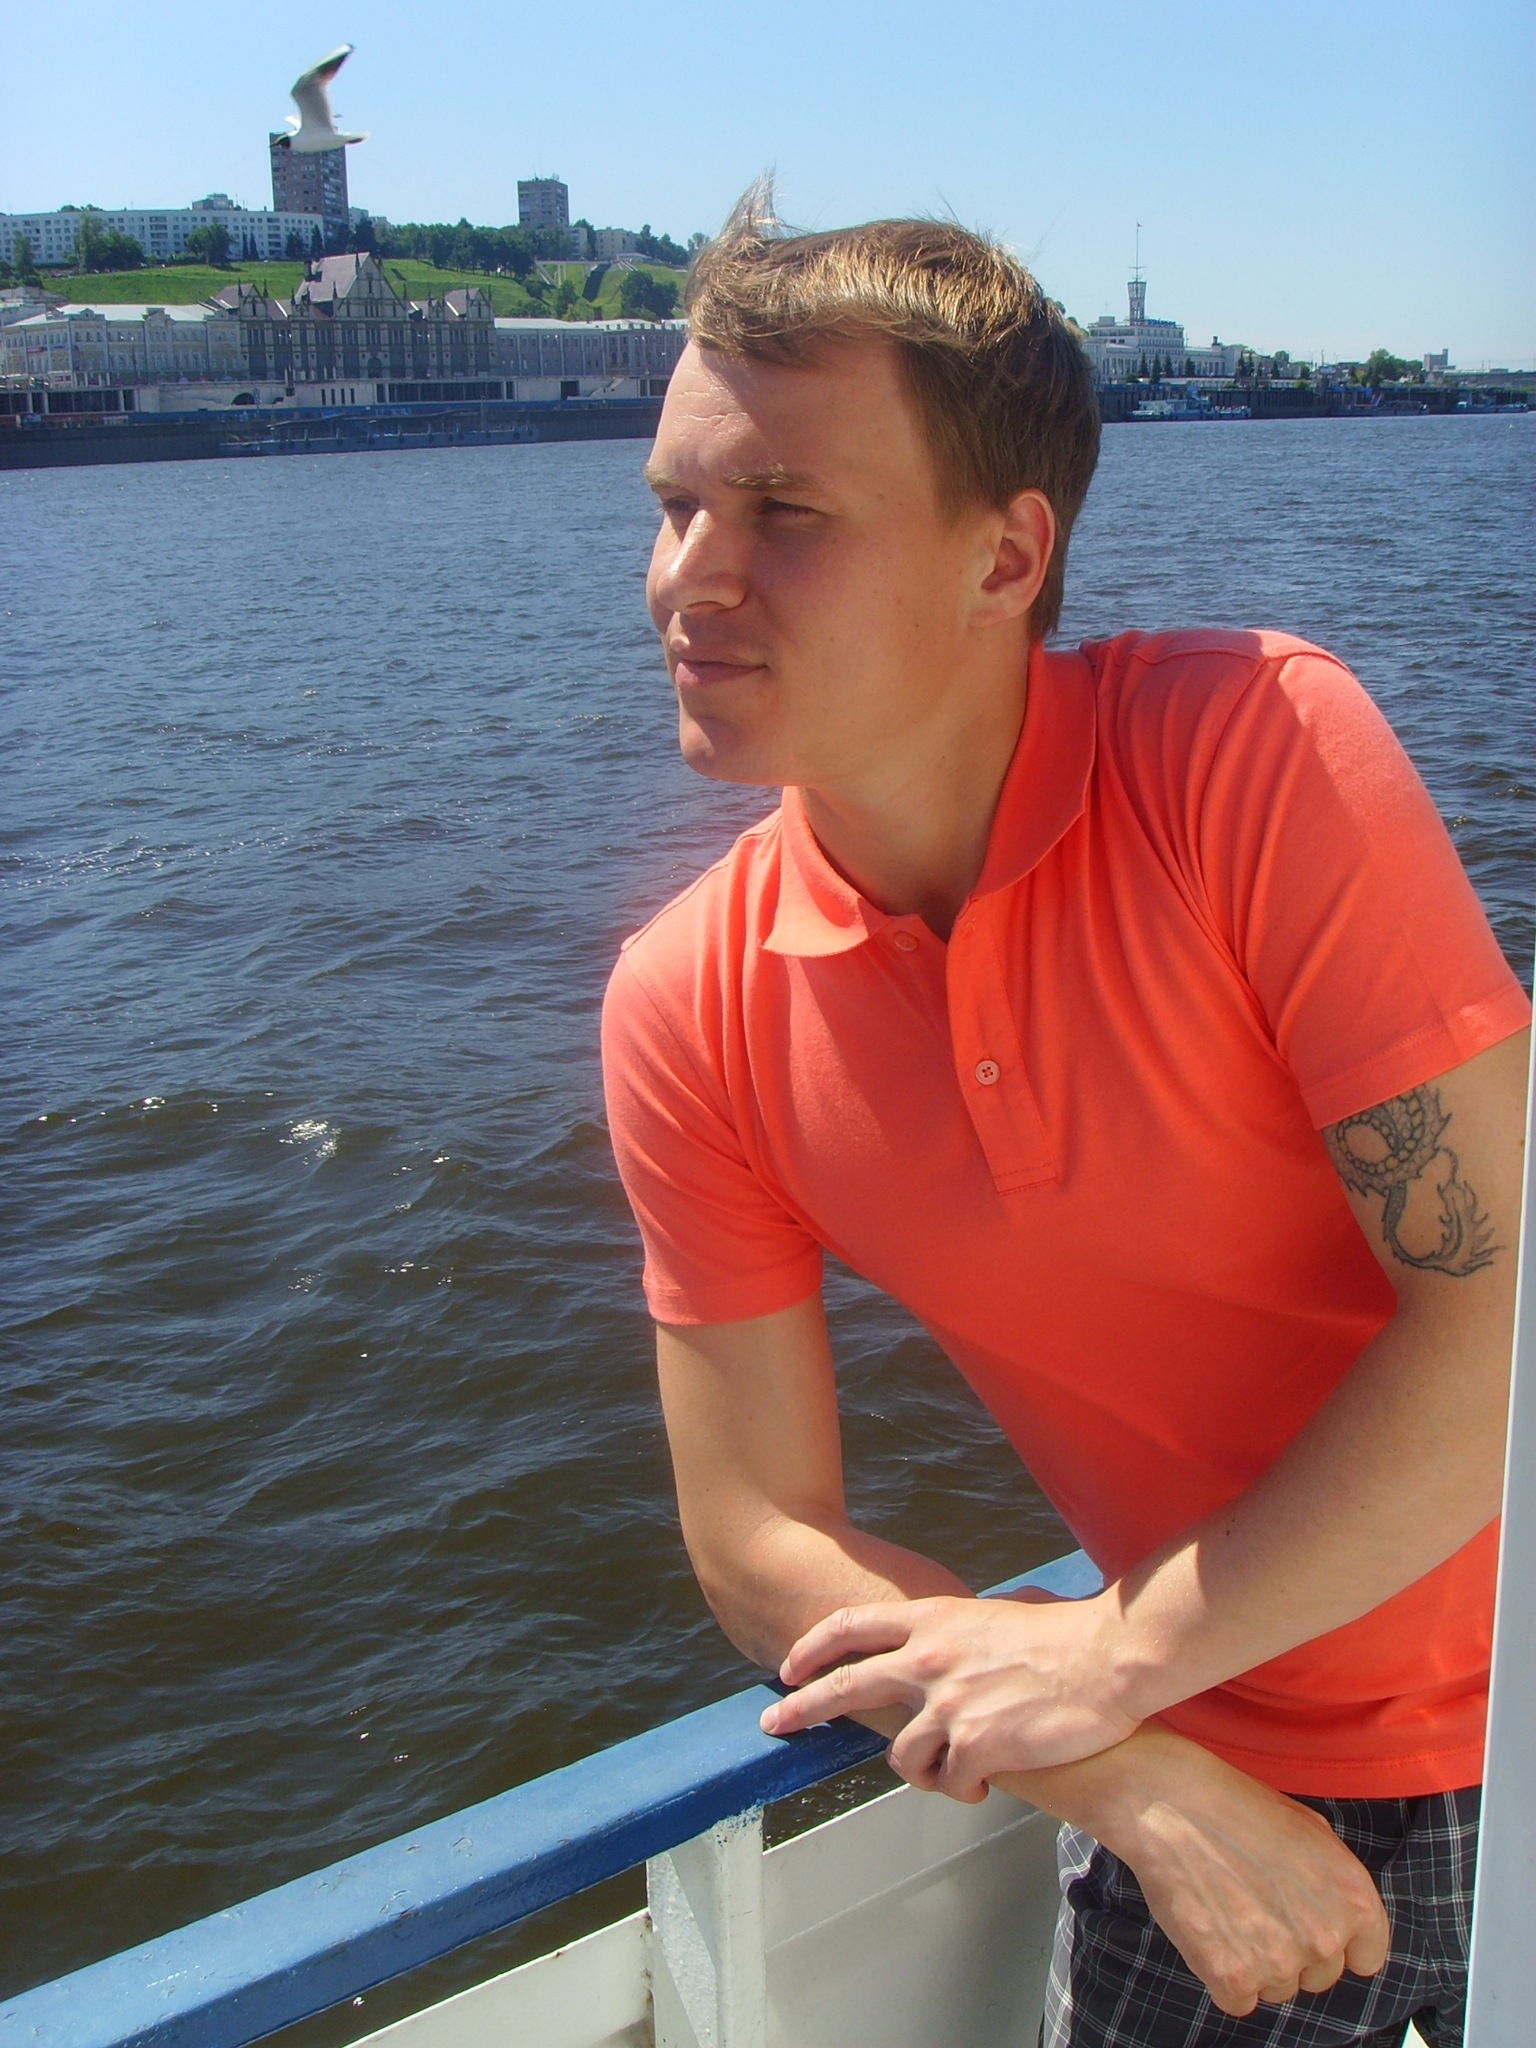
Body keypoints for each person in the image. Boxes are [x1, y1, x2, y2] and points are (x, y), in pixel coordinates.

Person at [600, 191, 1530, 2047]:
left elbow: (1504, 1326)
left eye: (784, 512)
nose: (691, 576)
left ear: (1007, 557)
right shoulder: (690, 1003)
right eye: (674, 504)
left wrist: (1105, 1657)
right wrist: (1116, 1766)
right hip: (1199, 1750)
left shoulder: (1246, 754)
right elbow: (756, 1531)